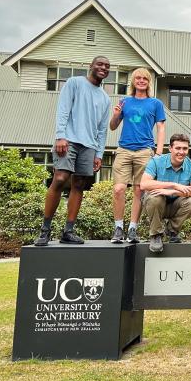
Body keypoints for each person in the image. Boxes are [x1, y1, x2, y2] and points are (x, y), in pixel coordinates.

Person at [34, 56, 111, 246]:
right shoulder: (74, 83)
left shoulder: (105, 98)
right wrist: (60, 136)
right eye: (100, 64)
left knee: (79, 185)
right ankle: (45, 230)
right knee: (59, 179)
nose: (103, 68)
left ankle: (68, 231)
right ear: (90, 66)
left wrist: (99, 154)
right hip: (68, 140)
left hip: (90, 146)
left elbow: (102, 129)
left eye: (107, 67)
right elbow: (63, 110)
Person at [110, 68, 166, 244]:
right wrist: (116, 114)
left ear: (149, 82)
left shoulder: (155, 103)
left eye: (145, 79)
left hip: (145, 151)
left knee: (139, 191)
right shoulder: (125, 101)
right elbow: (112, 126)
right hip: (124, 150)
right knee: (119, 189)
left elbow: (161, 128)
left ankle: (132, 229)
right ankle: (118, 228)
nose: (141, 81)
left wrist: (158, 152)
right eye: (138, 78)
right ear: (133, 82)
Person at [140, 133, 191, 253]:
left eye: (185, 148)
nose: (181, 152)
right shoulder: (156, 161)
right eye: (178, 148)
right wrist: (172, 185)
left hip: (176, 205)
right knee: (155, 198)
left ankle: (172, 230)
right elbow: (144, 184)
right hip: (156, 205)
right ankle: (156, 235)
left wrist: (173, 191)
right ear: (170, 148)